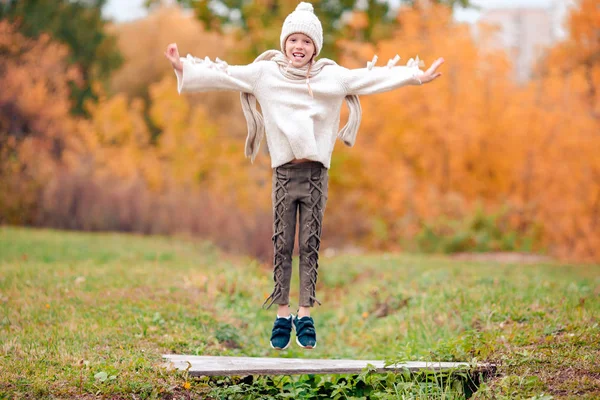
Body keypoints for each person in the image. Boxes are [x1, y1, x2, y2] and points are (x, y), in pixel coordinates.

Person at [164, 2, 443, 351]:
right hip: (283, 173)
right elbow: (225, 75)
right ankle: (282, 313)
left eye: (306, 41)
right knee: (282, 244)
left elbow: (370, 79)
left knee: (309, 244)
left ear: (315, 47)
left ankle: (305, 312)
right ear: (284, 43)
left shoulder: (332, 77)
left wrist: (414, 75)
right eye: (293, 39)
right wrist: (183, 67)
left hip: (315, 175)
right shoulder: (264, 74)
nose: (299, 46)